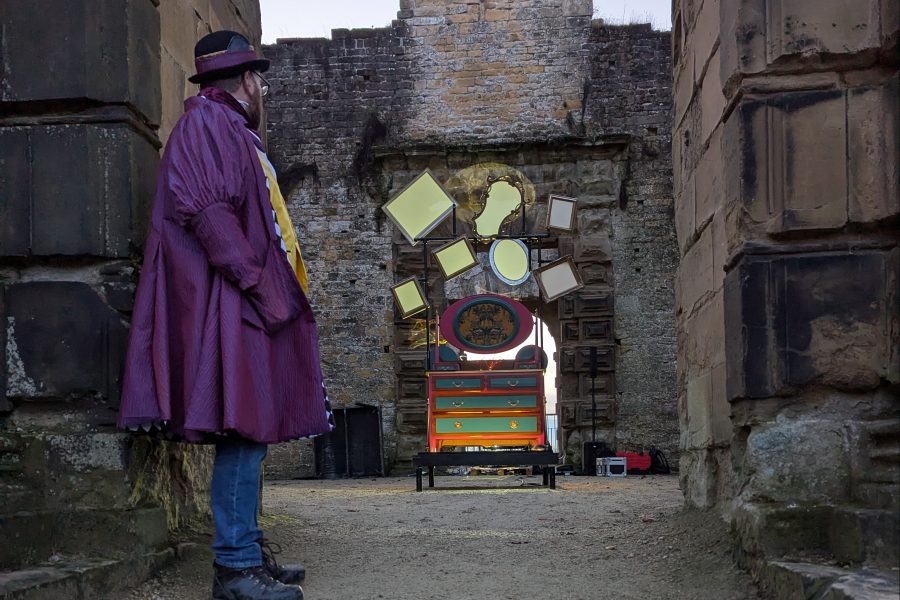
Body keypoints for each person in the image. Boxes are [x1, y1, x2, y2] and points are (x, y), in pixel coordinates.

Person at [118, 30, 334, 600]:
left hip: (237, 300)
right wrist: (263, 287)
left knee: (252, 428)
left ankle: (248, 553)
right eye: (260, 78)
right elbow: (211, 217)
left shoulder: (228, 129)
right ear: (243, 80)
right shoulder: (207, 125)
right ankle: (235, 569)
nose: (263, 88)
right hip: (229, 303)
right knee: (243, 431)